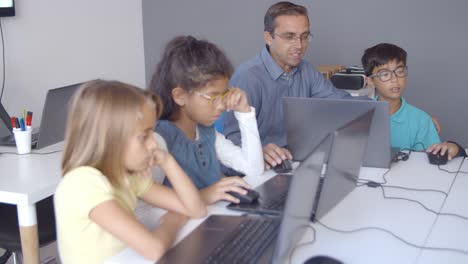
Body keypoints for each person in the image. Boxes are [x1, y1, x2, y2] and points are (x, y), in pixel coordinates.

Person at [54, 80, 206, 263]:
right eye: (144, 137)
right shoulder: (82, 182)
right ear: (110, 140)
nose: (153, 144)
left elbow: (196, 210)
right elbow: (154, 249)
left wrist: (168, 161)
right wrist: (172, 221)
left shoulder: (126, 175)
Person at [222, 1, 356, 169]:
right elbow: (232, 137)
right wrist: (258, 151)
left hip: (295, 161)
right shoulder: (248, 77)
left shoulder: (306, 70)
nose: (299, 45)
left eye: (304, 36)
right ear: (268, 37)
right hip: (257, 171)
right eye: (289, 37)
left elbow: (344, 103)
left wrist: (378, 104)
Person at [150, 36, 264, 205]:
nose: (221, 106)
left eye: (224, 96)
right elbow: (149, 206)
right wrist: (205, 195)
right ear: (180, 96)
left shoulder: (206, 132)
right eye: (213, 97)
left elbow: (254, 169)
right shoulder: (158, 140)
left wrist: (245, 112)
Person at [362, 43, 440, 151]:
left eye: (399, 71)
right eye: (385, 74)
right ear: (370, 81)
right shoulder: (361, 118)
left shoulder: (422, 121)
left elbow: (429, 161)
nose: (395, 79)